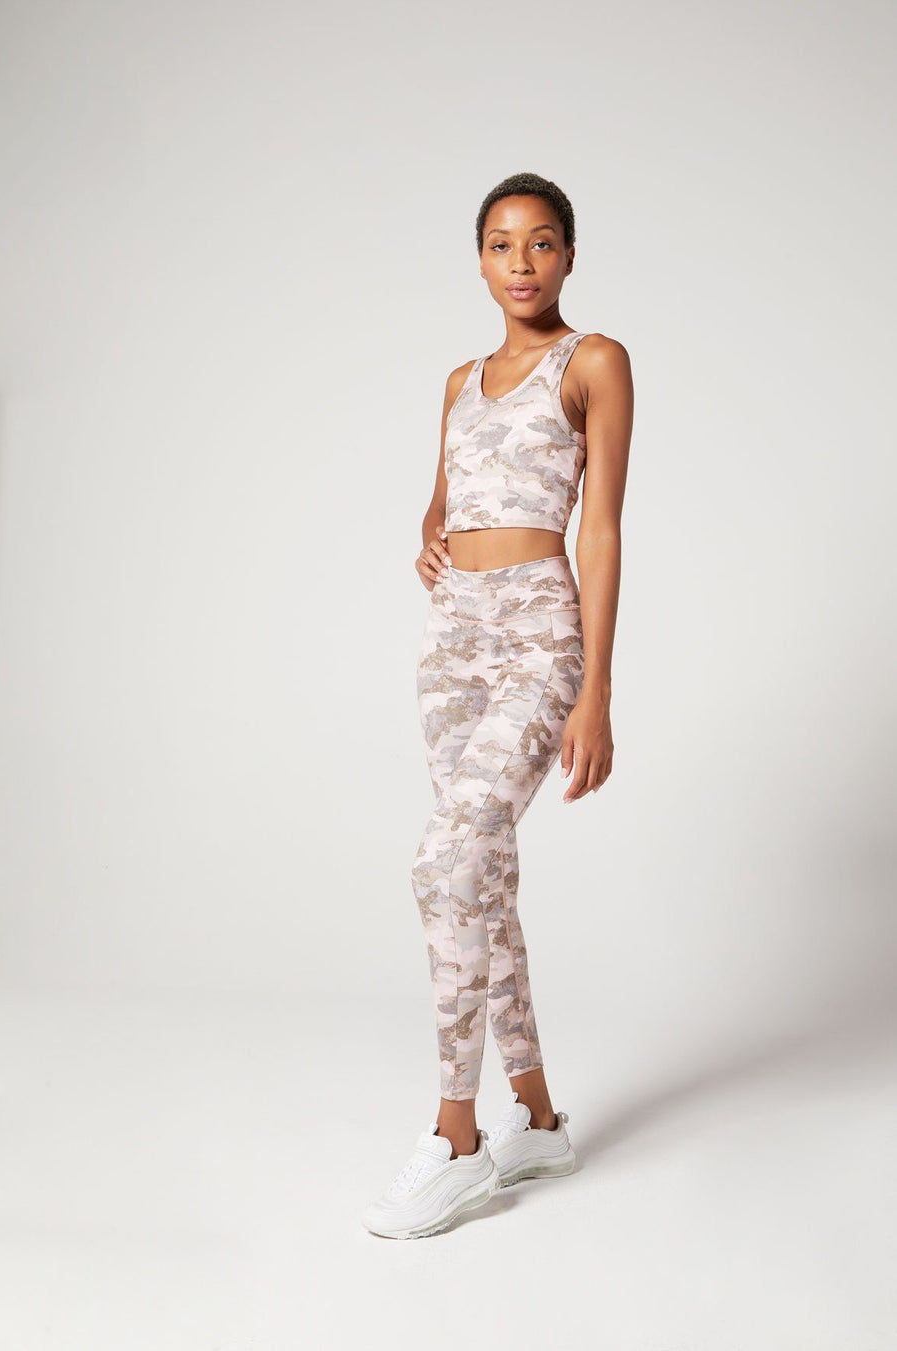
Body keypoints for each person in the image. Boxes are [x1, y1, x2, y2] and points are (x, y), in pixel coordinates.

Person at [362, 171, 634, 1239]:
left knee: (444, 861)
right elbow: (443, 504)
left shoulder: (594, 361)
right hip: (453, 642)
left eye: (542, 241)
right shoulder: (458, 381)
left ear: (568, 255)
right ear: (479, 261)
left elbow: (599, 529)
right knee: (484, 873)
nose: (522, 261)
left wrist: (595, 688)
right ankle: (539, 1118)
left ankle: (457, 1136)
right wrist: (430, 536)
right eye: (501, 244)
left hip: (536, 631)